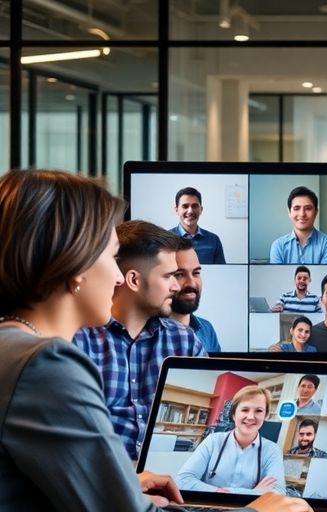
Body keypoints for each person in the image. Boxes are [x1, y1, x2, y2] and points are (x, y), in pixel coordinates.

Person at [0, 170, 310, 511]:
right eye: (110, 255)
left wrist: (121, 484)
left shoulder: (12, 347)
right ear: (74, 262)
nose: (118, 276)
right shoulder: (47, 365)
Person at [74, 220, 208, 460]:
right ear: (134, 280)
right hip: (103, 480)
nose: (177, 286)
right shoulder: (80, 341)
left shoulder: (184, 341)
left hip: (169, 479)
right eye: (169, 276)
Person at [178, 386, 286, 495]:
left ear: (265, 415)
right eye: (245, 410)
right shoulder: (213, 441)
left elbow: (279, 492)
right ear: (234, 414)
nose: (250, 417)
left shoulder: (272, 450)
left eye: (258, 411)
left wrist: (218, 492)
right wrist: (254, 492)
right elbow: (183, 480)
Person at [169, 238, 221, 353]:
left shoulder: (206, 329)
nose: (191, 283)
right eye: (179, 274)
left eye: (196, 273)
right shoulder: (146, 333)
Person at [269, 186, 327, 264]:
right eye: (296, 208)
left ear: (316, 212)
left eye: (308, 208)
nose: (302, 214)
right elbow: (278, 276)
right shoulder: (278, 246)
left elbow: (325, 275)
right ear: (289, 212)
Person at [169, 186, 227, 264]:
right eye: (185, 206)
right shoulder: (166, 239)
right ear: (177, 210)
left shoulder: (214, 240)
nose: (190, 211)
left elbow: (221, 271)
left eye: (194, 206)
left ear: (201, 210)